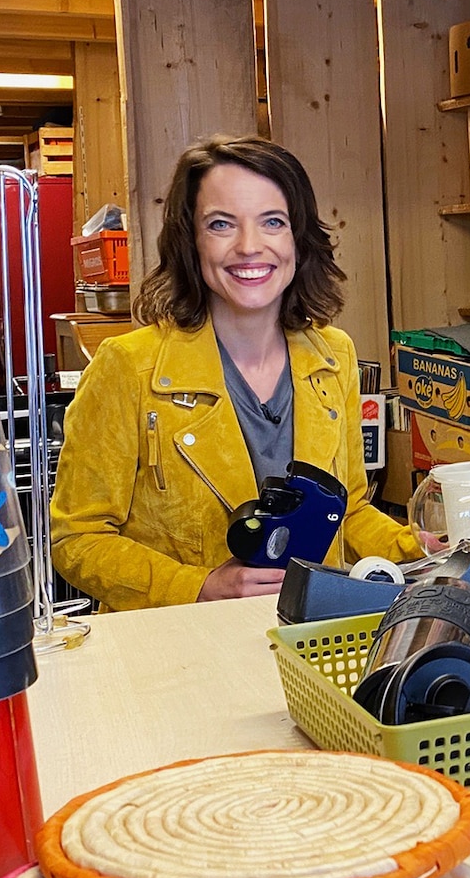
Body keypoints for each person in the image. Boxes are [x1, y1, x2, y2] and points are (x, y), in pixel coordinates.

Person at [51, 135, 427, 608]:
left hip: (306, 639)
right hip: (178, 654)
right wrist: (197, 588)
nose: (250, 247)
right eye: (221, 224)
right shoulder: (128, 367)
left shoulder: (333, 356)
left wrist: (424, 552)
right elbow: (76, 538)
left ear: (298, 237)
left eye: (272, 222)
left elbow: (346, 514)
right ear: (191, 240)